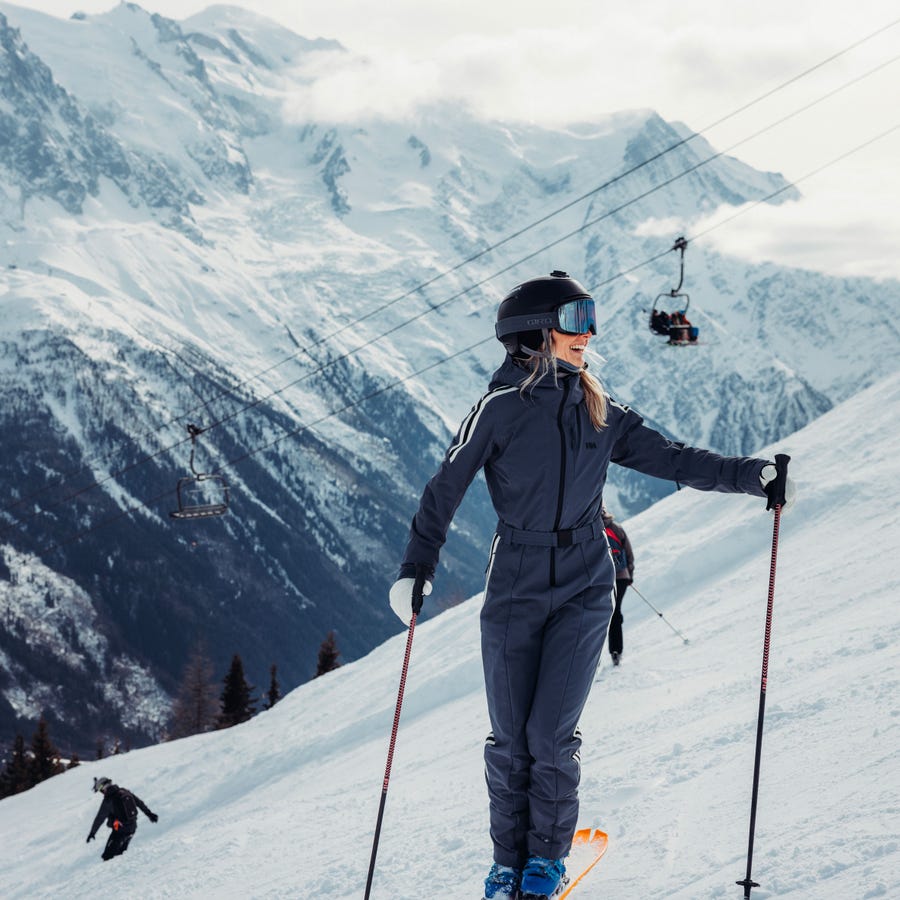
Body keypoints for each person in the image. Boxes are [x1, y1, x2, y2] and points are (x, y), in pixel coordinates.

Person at [388, 270, 794, 900]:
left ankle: (545, 863)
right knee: (510, 743)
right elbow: (444, 489)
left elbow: (675, 457)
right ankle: (506, 864)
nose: (590, 333)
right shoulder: (498, 411)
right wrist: (417, 567)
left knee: (549, 738)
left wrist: (752, 475)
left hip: (584, 584)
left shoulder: (599, 410)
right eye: (576, 320)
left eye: (591, 318)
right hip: (514, 585)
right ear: (533, 333)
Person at [86, 776, 158, 861]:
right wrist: (150, 814)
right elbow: (139, 803)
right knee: (120, 855)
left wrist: (92, 833)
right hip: (132, 828)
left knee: (107, 857)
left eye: (101, 790)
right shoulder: (124, 791)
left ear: (104, 787)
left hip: (120, 832)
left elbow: (99, 818)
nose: (102, 793)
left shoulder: (108, 801)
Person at [600, 506, 634, 666]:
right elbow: (629, 553)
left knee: (604, 614)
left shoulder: (594, 529)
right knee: (615, 611)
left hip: (603, 578)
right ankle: (616, 651)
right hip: (621, 577)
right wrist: (629, 575)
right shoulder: (616, 528)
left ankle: (598, 655)